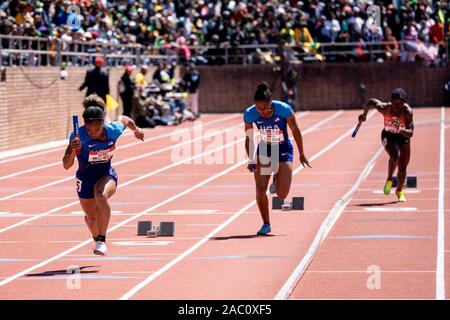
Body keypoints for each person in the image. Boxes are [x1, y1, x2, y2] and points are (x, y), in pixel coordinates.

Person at [62, 94, 144, 255]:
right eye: (89, 129)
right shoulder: (78, 136)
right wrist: (73, 148)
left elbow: (125, 119)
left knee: (101, 196)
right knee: (91, 218)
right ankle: (96, 238)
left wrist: (136, 130)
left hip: (106, 173)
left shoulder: (112, 130)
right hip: (85, 178)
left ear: (103, 123)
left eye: (97, 129)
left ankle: (101, 240)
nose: (93, 133)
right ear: (84, 125)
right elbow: (66, 165)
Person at [244, 82, 311, 235]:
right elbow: (249, 138)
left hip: (283, 149)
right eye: (258, 108)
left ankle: (276, 180)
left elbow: (296, 130)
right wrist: (251, 159)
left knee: (282, 195)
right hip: (265, 149)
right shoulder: (250, 113)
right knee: (260, 189)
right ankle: (266, 224)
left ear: (271, 103)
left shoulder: (283, 109)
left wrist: (301, 153)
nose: (261, 111)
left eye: (265, 107)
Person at [358, 88, 414, 202]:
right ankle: (389, 179)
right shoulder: (385, 108)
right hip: (388, 136)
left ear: (404, 103)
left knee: (403, 168)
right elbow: (371, 102)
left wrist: (400, 129)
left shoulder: (407, 112)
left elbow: (410, 133)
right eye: (394, 103)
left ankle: (399, 190)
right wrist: (364, 115)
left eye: (399, 104)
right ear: (391, 101)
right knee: (395, 156)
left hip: (403, 137)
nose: (396, 106)